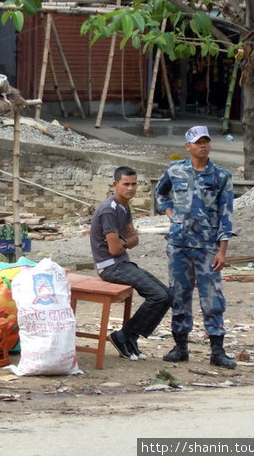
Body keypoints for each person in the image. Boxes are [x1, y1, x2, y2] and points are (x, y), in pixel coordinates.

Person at [155, 126, 237, 369]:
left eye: (206, 141)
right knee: (179, 295)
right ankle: (180, 346)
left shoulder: (221, 177)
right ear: (187, 146)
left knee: (212, 299)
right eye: (197, 142)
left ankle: (217, 350)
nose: (203, 145)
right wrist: (170, 212)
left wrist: (223, 250)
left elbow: (227, 215)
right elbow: (160, 193)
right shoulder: (175, 170)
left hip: (207, 247)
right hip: (179, 244)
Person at [90, 166, 172, 361]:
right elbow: (115, 249)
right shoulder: (108, 210)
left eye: (134, 184)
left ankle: (130, 336)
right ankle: (122, 336)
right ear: (115, 185)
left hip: (122, 263)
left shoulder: (124, 206)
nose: (131, 188)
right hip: (110, 267)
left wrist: (125, 242)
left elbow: (131, 239)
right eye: (126, 184)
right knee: (158, 296)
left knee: (168, 295)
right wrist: (127, 242)